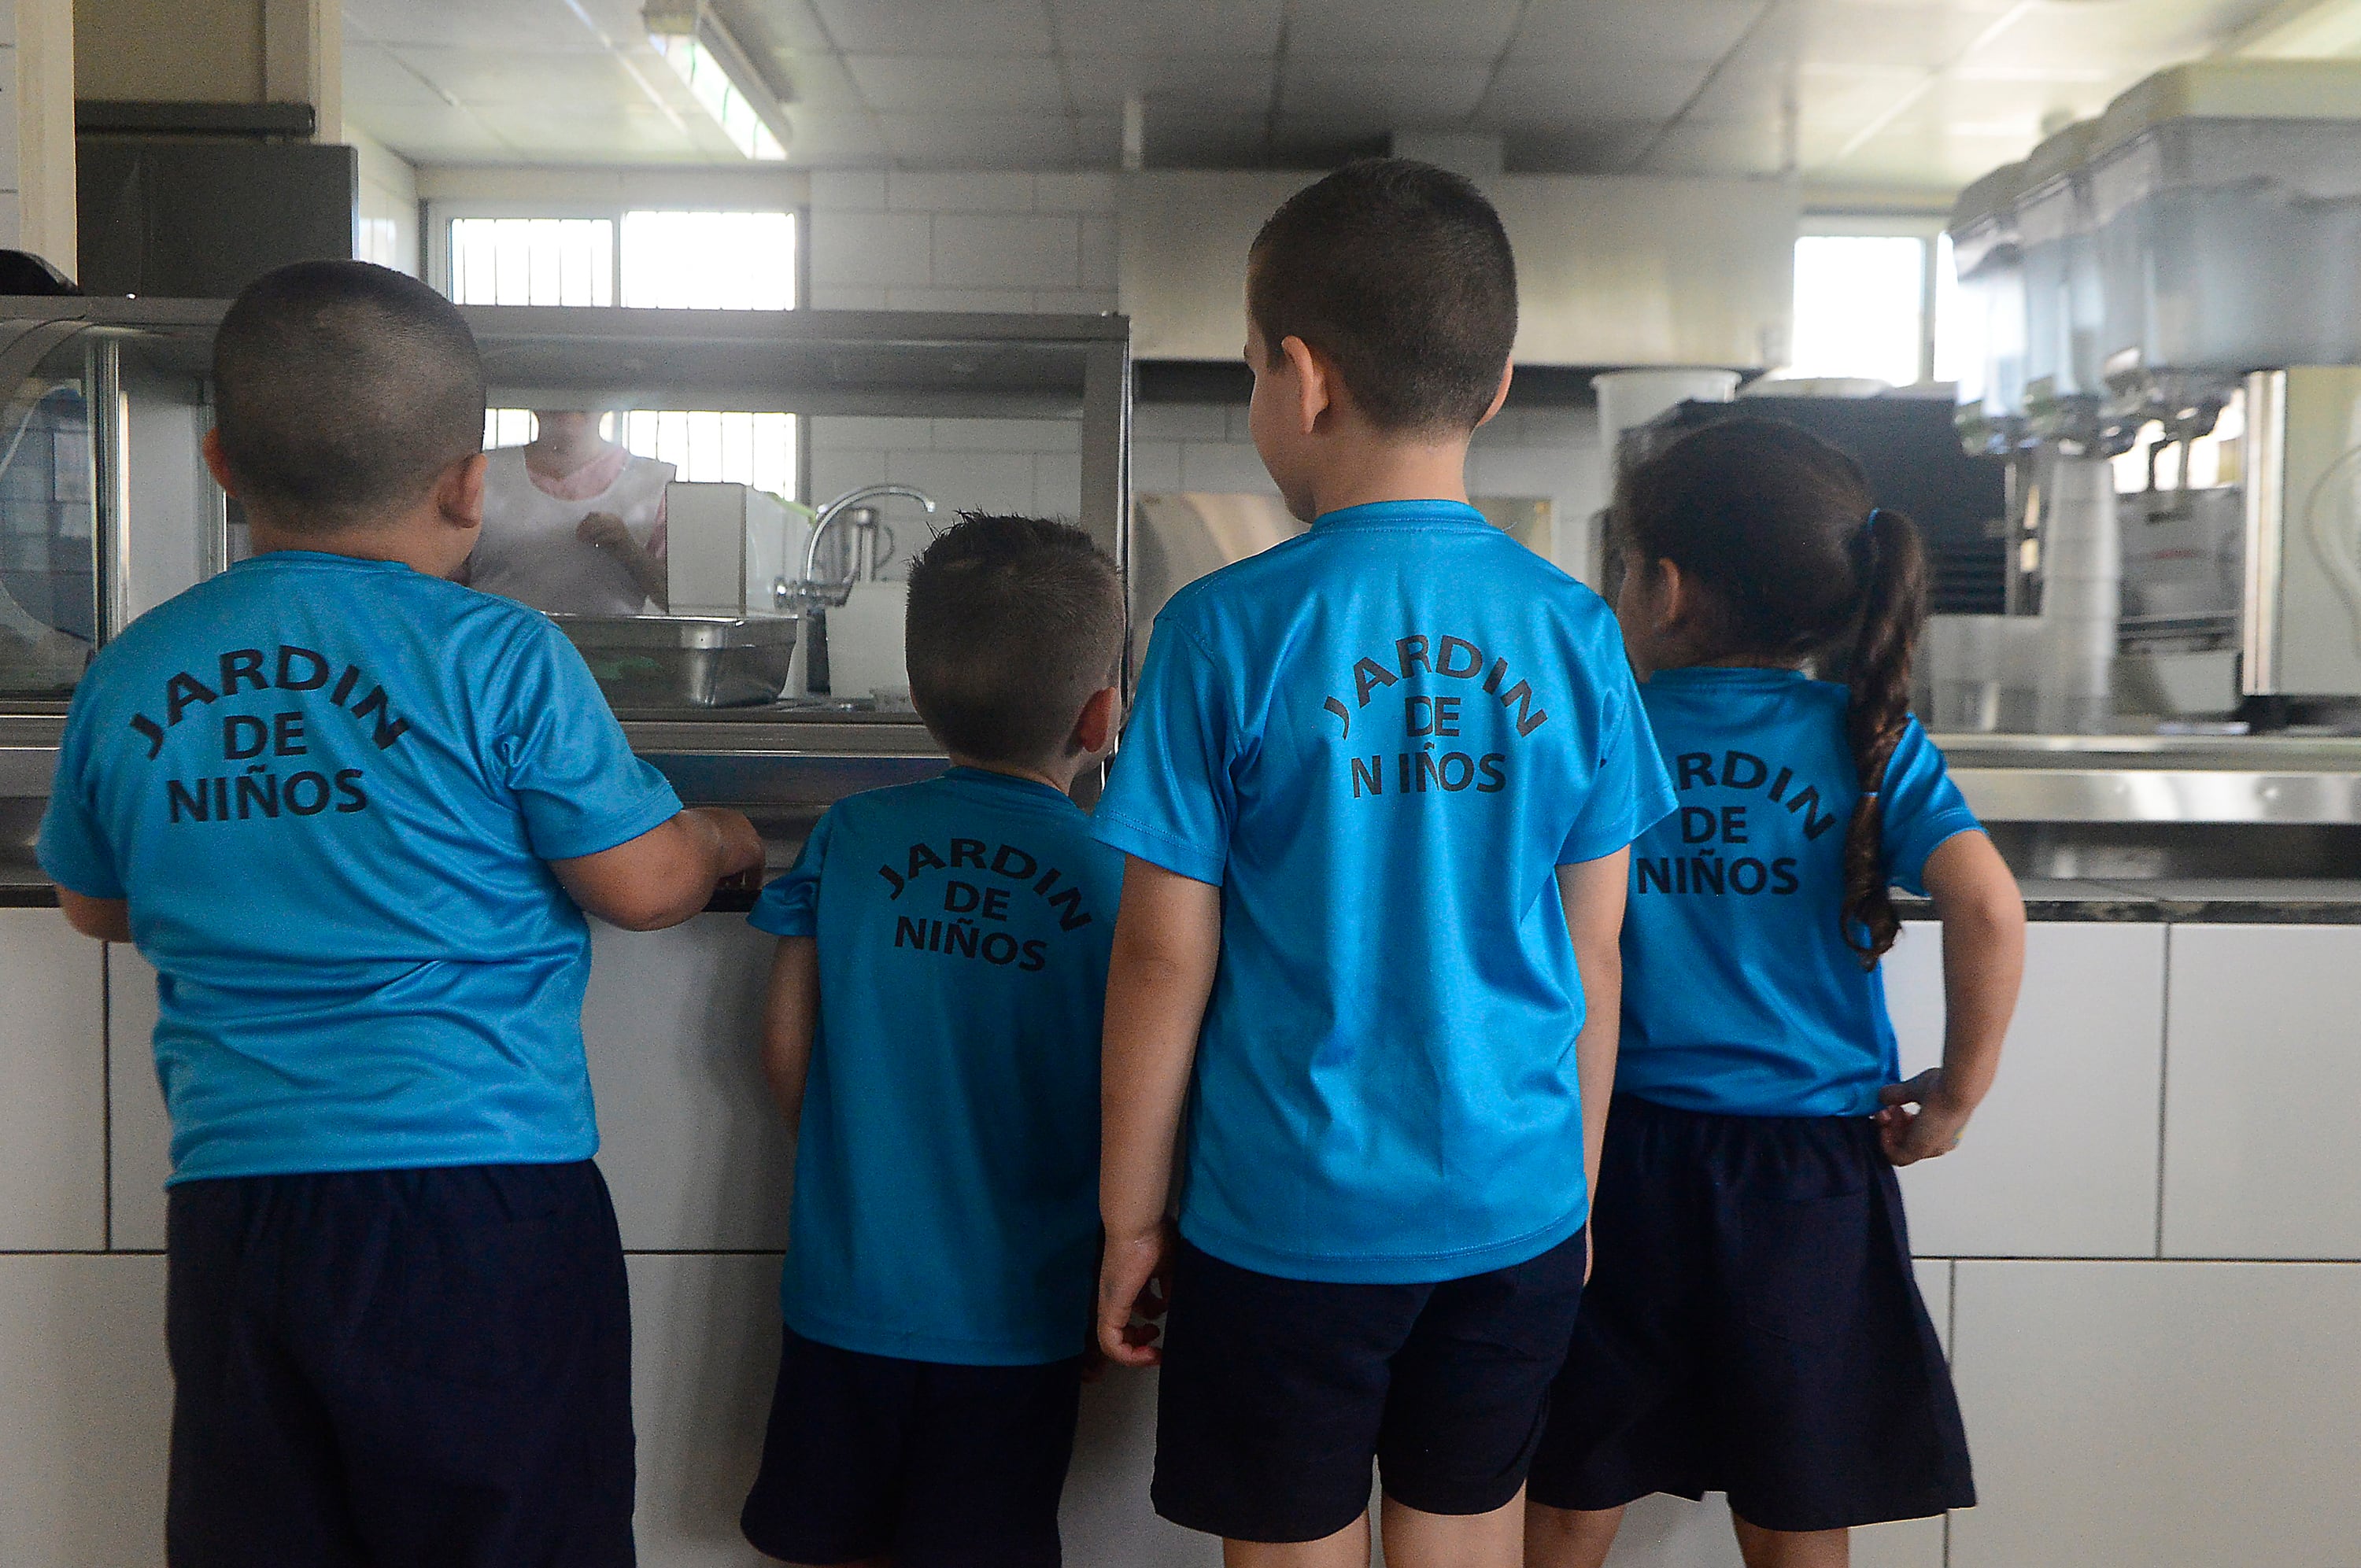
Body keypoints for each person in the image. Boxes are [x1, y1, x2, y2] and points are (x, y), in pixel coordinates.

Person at [35, 260, 767, 1568]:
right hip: (479, 1201)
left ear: (219, 462)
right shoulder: (498, 650)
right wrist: (720, 834)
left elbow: (96, 902)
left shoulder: (136, 665)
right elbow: (647, 886)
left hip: (240, 1209)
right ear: (470, 478)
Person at [1090, 159, 1679, 1568]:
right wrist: (1577, 1193)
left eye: (1247, 371)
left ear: (1301, 378)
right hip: (1515, 1204)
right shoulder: (1578, 632)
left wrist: (1126, 1216)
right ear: (1493, 384)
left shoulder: (1219, 630)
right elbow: (1594, 949)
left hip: (1286, 1216)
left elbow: (1166, 949)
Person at [1522, 419, 2028, 1568]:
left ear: (1661, 585)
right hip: (1807, 1176)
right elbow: (1993, 909)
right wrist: (1954, 1095)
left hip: (1617, 1154)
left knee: (1571, 1472)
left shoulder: (1607, 726)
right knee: (1801, 1491)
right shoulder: (1865, 742)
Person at [738, 512, 1127, 1568]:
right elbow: (1129, 1097)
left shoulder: (854, 836)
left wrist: (845, 1168)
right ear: (1102, 717)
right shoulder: (1116, 878)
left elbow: (785, 1043)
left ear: (918, 695)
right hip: (1018, 1315)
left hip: (848, 1292)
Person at [466, 409, 673, 614]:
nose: (568, 405)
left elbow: (677, 597)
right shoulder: (478, 473)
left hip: (612, 644)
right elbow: (441, 580)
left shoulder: (657, 483)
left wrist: (630, 551)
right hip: (497, 644)